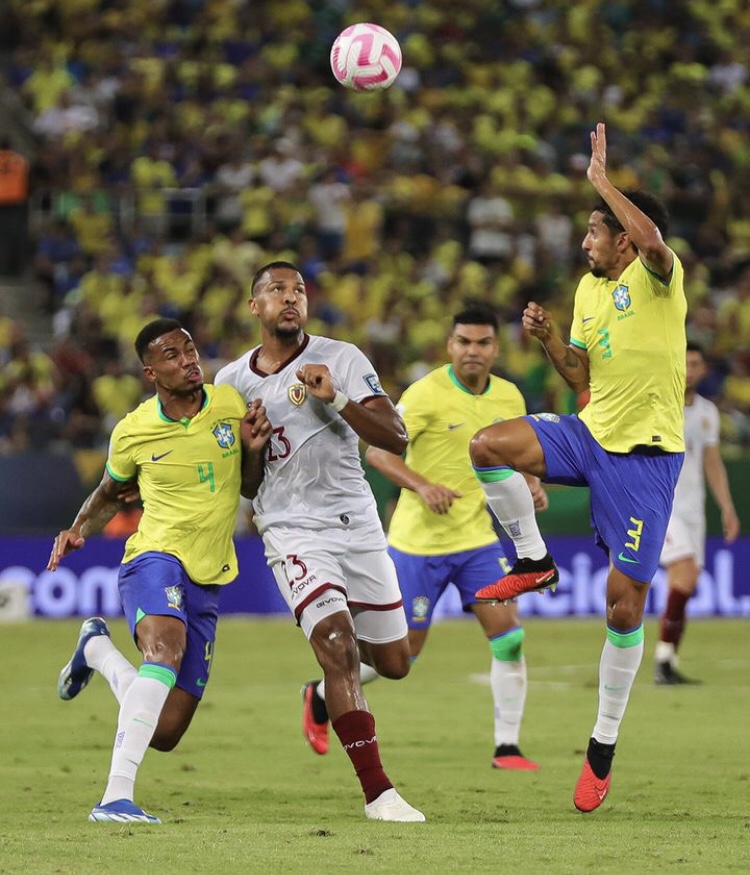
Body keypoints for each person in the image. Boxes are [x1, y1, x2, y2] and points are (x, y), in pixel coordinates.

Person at [468, 123, 687, 813]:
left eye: (594, 231)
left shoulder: (659, 276)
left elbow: (652, 240)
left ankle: (603, 744)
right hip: (590, 434)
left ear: (621, 237)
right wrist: (551, 340)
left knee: (623, 605)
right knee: (487, 445)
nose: (585, 242)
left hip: (645, 460)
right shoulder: (588, 294)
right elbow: (580, 374)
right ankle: (533, 560)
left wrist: (601, 181)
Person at [215, 261, 425, 823]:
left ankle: (318, 698)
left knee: (397, 662)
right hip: (290, 530)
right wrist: (252, 449)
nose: (290, 298)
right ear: (254, 306)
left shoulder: (343, 358)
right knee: (336, 641)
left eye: (299, 290)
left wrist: (337, 399)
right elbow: (246, 486)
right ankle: (379, 794)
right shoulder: (230, 384)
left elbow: (396, 438)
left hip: (355, 522)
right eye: (276, 290)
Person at [48, 318, 271, 824]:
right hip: (154, 556)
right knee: (164, 651)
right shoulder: (132, 431)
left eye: (190, 349)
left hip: (209, 573)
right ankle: (114, 798)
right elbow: (109, 491)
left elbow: (250, 487)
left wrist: (253, 451)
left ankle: (96, 650)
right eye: (172, 354)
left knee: (166, 731)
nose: (188, 359)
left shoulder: (229, 405)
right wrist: (79, 527)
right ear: (152, 372)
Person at [364, 303, 547, 771]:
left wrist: (531, 482)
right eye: (464, 342)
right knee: (401, 658)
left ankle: (507, 747)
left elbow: (518, 458)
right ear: (450, 346)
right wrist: (422, 485)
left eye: (483, 343)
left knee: (508, 638)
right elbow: (377, 452)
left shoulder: (509, 397)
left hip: (477, 542)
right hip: (417, 545)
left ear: (496, 349)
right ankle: (321, 694)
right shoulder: (424, 394)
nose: (473, 351)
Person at [655, 342, 740, 685]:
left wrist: (727, 506)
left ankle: (667, 660)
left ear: (703, 370)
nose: (690, 369)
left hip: (694, 510)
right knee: (686, 574)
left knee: (685, 586)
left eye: (695, 364)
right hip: (664, 507)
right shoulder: (660, 404)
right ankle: (662, 661)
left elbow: (712, 461)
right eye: (685, 362)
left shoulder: (707, 412)